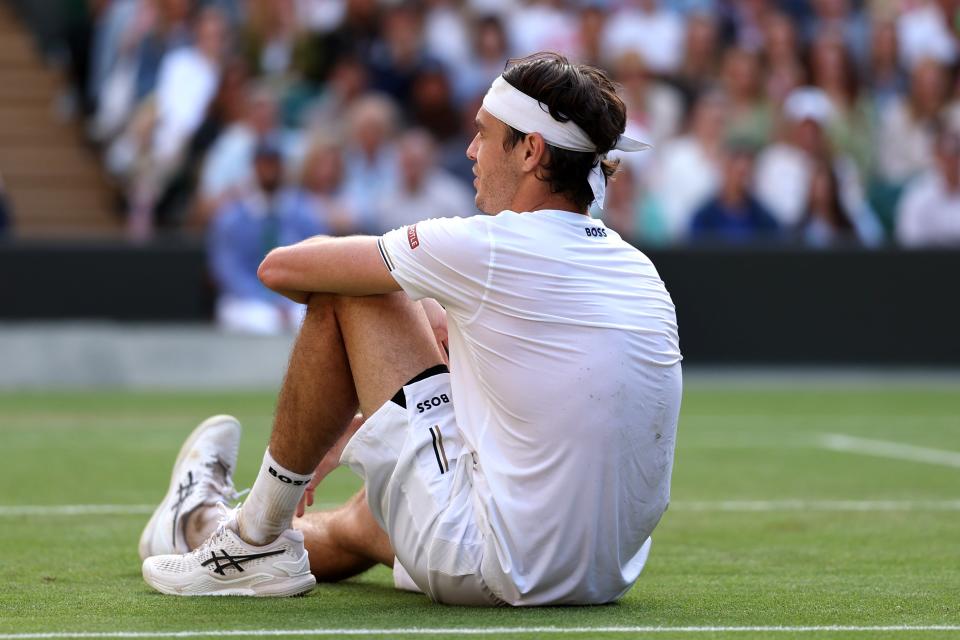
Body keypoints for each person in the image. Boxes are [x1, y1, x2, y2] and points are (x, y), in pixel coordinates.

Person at [139, 52, 682, 606]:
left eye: (484, 135)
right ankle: (196, 522)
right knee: (360, 523)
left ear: (530, 151)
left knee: (351, 290)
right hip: (600, 576)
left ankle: (252, 539)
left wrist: (417, 299)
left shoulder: (489, 247)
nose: (471, 152)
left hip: (489, 564)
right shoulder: (638, 266)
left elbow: (280, 268)